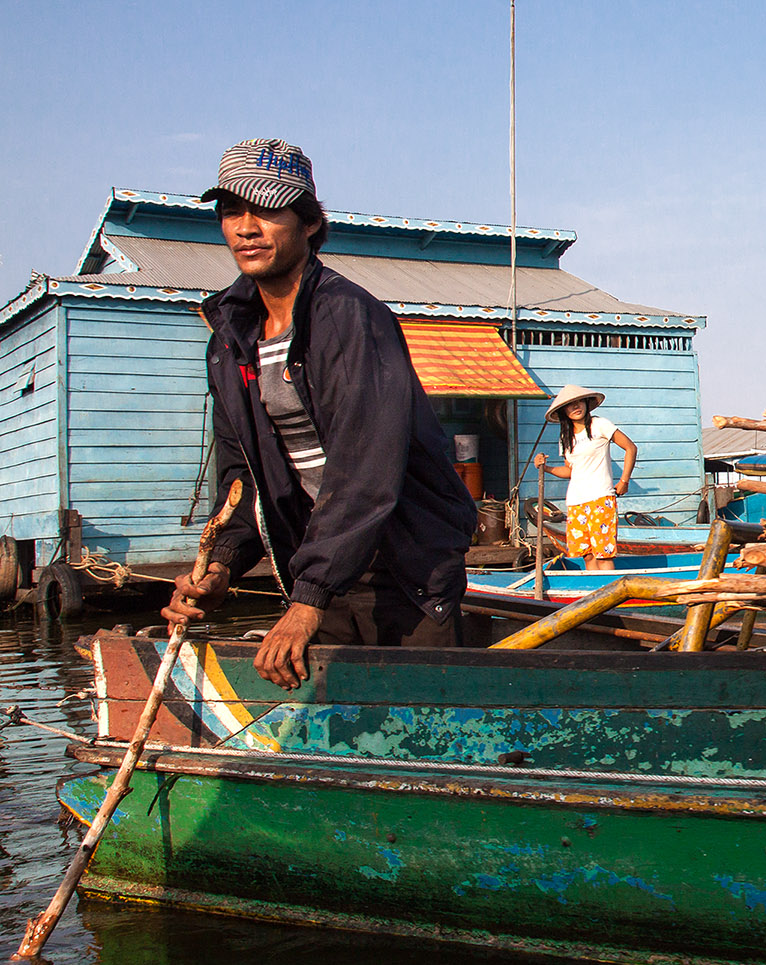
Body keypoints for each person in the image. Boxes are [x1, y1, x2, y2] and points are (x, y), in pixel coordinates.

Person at [163, 138, 477, 690]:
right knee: (338, 728)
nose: (245, 227)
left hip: (404, 568)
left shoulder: (350, 318)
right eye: (231, 212)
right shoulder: (230, 338)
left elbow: (365, 470)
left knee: (423, 725)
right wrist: (222, 567)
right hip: (319, 562)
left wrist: (308, 599)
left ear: (308, 223)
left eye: (265, 209)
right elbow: (244, 476)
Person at [533, 385, 637, 570]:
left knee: (603, 555)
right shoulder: (565, 437)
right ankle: (595, 595)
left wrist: (624, 481)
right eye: (570, 405)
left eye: (579, 402)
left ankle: (609, 595)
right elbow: (570, 471)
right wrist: (545, 467)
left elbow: (630, 447)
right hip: (576, 502)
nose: (576, 407)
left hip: (600, 499)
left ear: (586, 403)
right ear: (564, 411)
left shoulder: (599, 424)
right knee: (587, 556)